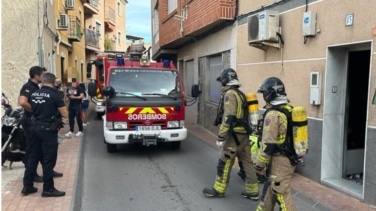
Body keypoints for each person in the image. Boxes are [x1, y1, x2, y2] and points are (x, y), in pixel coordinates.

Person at [202, 68, 259, 200]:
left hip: (233, 136)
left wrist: (221, 136)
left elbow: (229, 117)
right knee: (247, 162)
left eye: (221, 81)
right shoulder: (240, 93)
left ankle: (218, 189)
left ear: (225, 81)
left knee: (225, 161)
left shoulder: (230, 94)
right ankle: (253, 191)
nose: (221, 84)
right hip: (244, 135)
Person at [253, 77, 297, 211]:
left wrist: (259, 165)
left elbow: (268, 144)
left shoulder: (273, 114)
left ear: (269, 94)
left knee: (281, 192)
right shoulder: (289, 109)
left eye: (264, 94)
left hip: (280, 160)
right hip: (288, 158)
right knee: (270, 190)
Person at [21, 72, 68, 197]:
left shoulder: (34, 93)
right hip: (47, 129)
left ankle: (27, 186)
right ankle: (48, 188)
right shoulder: (55, 94)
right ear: (53, 82)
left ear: (43, 81)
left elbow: (29, 106)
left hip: (34, 128)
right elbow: (64, 113)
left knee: (32, 157)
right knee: (48, 160)